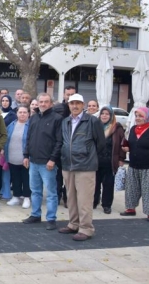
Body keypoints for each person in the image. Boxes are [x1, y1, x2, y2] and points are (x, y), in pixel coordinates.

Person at [54, 93, 105, 241]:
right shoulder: (65, 121)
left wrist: (90, 156)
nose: (75, 106)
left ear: (83, 105)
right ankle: (74, 223)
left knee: (84, 199)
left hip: (85, 166)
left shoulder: (92, 121)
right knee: (71, 198)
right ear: (68, 105)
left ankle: (86, 228)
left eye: (78, 103)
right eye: (72, 103)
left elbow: (100, 144)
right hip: (68, 165)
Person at [23, 93, 63, 230]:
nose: (43, 104)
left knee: (51, 193)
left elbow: (59, 142)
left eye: (46, 102)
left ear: (51, 103)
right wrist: (26, 155)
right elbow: (28, 138)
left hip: (48, 163)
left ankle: (51, 218)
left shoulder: (57, 119)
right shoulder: (33, 118)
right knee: (35, 191)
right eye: (41, 101)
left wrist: (53, 159)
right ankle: (35, 215)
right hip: (33, 161)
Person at [120, 107, 149, 222]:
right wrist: (127, 148)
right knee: (131, 188)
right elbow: (132, 144)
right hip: (133, 164)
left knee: (148, 190)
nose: (138, 118)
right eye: (136, 116)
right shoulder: (133, 129)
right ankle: (131, 209)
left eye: (141, 116)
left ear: (147, 117)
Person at [94, 106, 125, 214]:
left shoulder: (117, 128)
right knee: (94, 183)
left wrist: (121, 159)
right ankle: (94, 201)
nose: (104, 115)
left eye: (107, 114)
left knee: (108, 185)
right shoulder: (95, 126)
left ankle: (106, 205)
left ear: (111, 116)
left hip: (110, 162)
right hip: (95, 162)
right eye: (102, 113)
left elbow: (122, 144)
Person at [4, 105, 31, 209]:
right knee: (15, 177)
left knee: (26, 178)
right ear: (17, 113)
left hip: (25, 157)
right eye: (20, 112)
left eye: (24, 112)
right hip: (12, 156)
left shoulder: (30, 125)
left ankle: (27, 197)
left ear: (28, 114)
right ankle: (16, 196)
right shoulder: (12, 124)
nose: (22, 114)